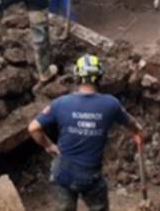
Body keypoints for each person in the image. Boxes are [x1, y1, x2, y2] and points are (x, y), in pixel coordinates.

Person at [28, 54, 144, 211]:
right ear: (99, 77)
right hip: (90, 176)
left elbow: (33, 128)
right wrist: (137, 132)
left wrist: (49, 146)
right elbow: (132, 124)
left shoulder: (61, 103)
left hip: (63, 172)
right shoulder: (111, 104)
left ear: (77, 76)